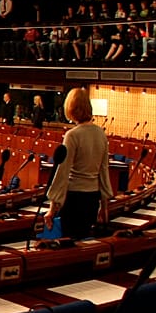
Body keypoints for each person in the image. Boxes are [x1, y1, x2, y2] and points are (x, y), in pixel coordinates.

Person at [46, 88, 112, 240]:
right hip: (92, 199)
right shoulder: (101, 134)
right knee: (84, 242)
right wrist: (104, 206)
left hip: (74, 198)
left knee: (69, 243)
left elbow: (63, 172)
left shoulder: (72, 135)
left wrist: (52, 208)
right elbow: (104, 171)